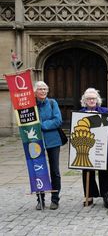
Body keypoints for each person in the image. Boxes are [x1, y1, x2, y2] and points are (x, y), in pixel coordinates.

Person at [79, 88, 108, 206]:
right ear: (84, 101)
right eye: (89, 99)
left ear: (97, 100)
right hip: (87, 145)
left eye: (93, 98)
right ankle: (89, 195)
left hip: (103, 145)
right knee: (87, 170)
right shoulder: (80, 113)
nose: (91, 101)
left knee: (106, 171)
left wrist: (96, 120)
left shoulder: (104, 111)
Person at [34, 81, 63, 210]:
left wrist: (42, 125)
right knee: (38, 170)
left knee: (55, 171)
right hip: (35, 141)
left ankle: (55, 199)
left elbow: (58, 120)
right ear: (35, 91)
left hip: (53, 141)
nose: (43, 91)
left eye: (45, 89)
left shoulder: (52, 103)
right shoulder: (30, 104)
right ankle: (40, 200)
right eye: (40, 89)